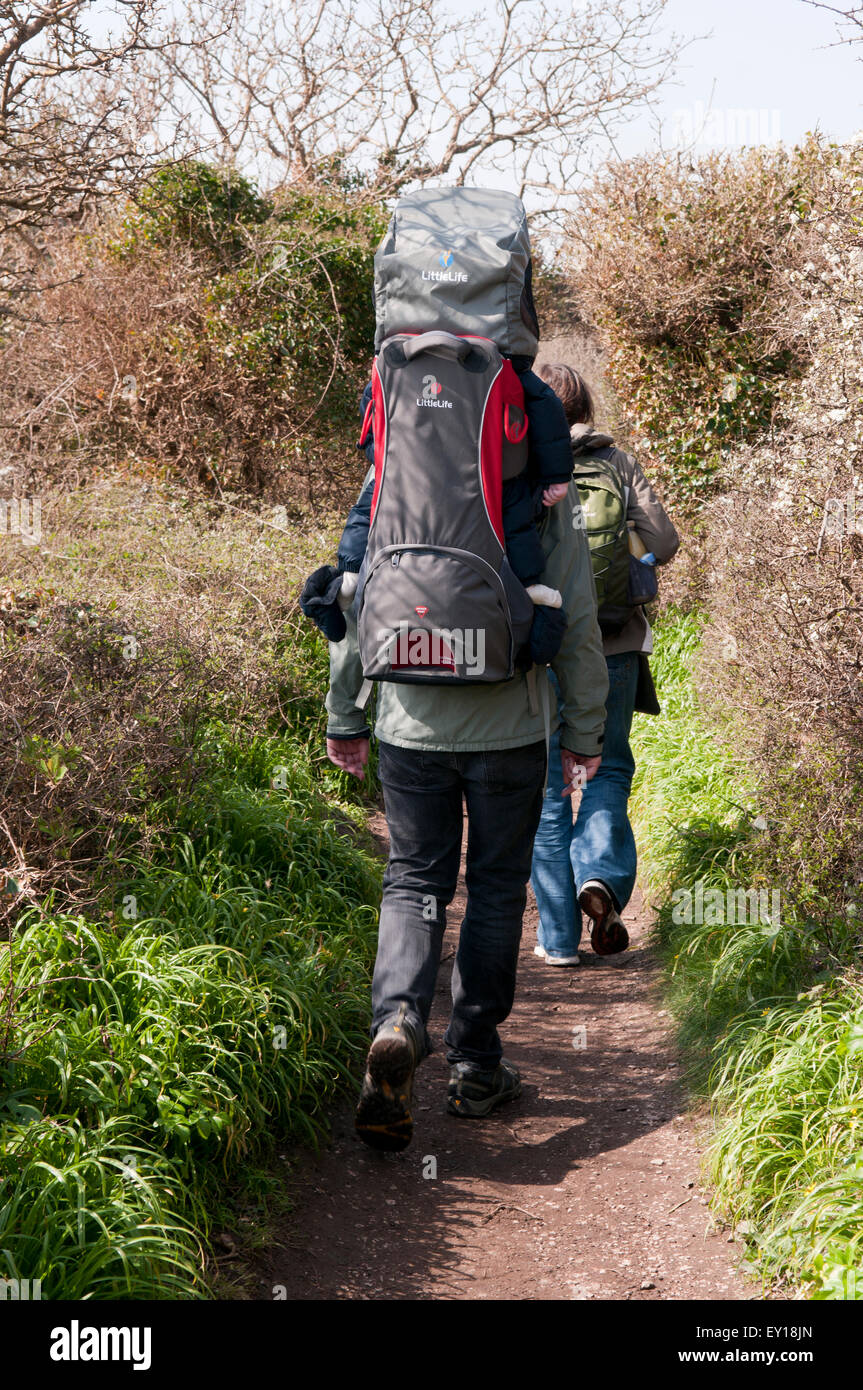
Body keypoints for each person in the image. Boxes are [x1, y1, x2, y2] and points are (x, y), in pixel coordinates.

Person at [324, 461, 608, 1151]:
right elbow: (572, 616)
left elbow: (354, 595)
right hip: (509, 727)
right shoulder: (543, 484)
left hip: (410, 722)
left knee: (414, 879)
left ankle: (398, 1022)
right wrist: (584, 731)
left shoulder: (389, 469)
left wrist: (344, 712)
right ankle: (476, 1065)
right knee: (494, 889)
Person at [529, 365, 679, 967]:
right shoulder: (616, 462)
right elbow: (663, 542)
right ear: (587, 405)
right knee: (605, 771)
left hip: (542, 650)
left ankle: (558, 939)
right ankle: (598, 877)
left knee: (547, 790)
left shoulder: (525, 461)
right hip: (613, 647)